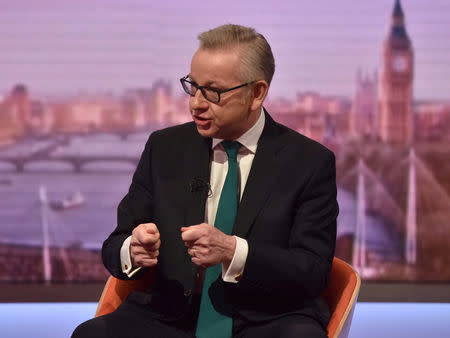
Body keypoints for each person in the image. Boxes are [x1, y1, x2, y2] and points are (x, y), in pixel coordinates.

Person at [72, 23, 338, 338]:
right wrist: (132, 250)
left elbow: (312, 271)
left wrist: (232, 251)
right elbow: (114, 245)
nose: (196, 103)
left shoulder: (309, 162)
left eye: (212, 91)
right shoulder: (165, 148)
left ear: (257, 93)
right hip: (170, 317)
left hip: (265, 319)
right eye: (192, 86)